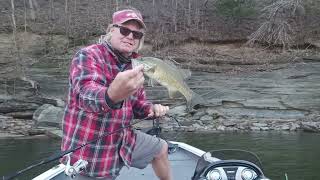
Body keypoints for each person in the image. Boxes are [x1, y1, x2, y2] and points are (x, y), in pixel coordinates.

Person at [61, 7, 172, 180]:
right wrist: (111, 94)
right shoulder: (88, 55)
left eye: (136, 34)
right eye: (124, 30)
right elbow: (86, 95)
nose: (130, 36)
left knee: (161, 148)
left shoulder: (136, 64)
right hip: (92, 150)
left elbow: (138, 104)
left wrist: (151, 109)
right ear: (111, 30)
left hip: (124, 138)